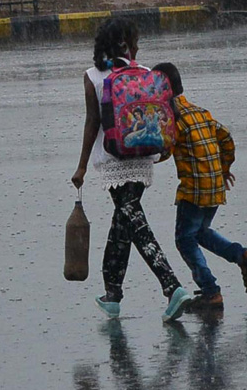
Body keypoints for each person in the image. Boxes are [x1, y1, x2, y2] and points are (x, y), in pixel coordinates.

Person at [71, 18, 194, 322]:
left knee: (133, 223)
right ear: (126, 42)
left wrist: (82, 165)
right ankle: (112, 293)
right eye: (136, 40)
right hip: (142, 155)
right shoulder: (146, 74)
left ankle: (171, 286)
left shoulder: (94, 77)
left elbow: (92, 123)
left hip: (114, 158)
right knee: (124, 221)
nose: (139, 45)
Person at [152, 63, 247, 311]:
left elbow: (165, 149)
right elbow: (225, 136)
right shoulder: (200, 112)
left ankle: (210, 292)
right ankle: (242, 256)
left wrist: (145, 155)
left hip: (194, 189)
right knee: (200, 232)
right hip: (214, 186)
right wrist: (224, 168)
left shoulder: (173, 119)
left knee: (184, 239)